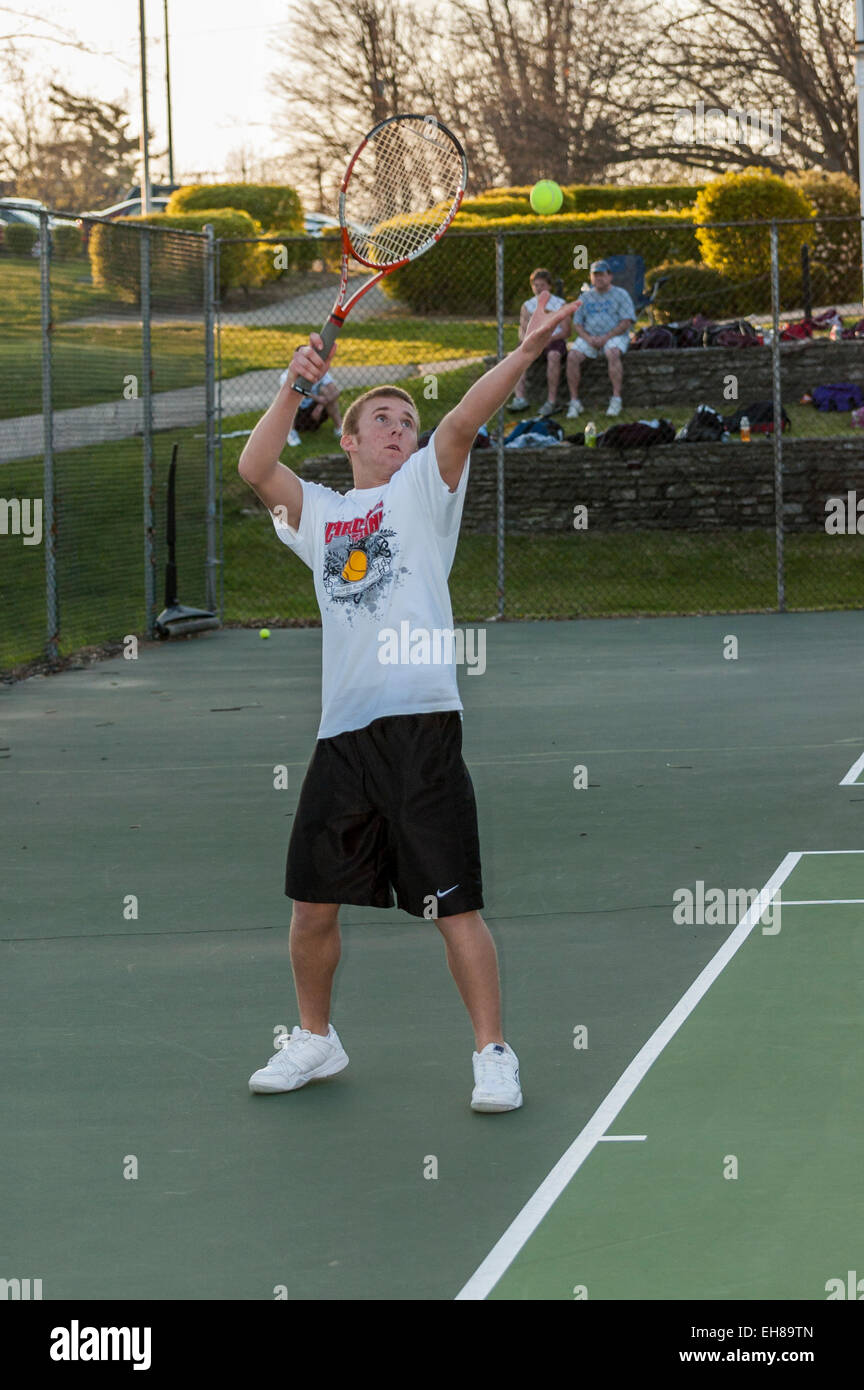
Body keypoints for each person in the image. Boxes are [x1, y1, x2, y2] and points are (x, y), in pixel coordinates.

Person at [238, 288, 578, 1112]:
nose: (402, 429)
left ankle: (492, 1053)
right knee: (312, 905)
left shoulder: (426, 491)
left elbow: (462, 420)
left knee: (452, 903)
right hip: (344, 734)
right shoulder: (319, 514)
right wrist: (292, 382)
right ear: (349, 439)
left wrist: (528, 351)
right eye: (383, 419)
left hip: (422, 725)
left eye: (406, 422)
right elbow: (255, 468)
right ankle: (316, 1039)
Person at [566, 259, 635, 418]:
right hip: (589, 337)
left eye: (602, 275)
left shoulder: (621, 294)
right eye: (595, 275)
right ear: (591, 278)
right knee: (572, 356)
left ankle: (616, 399)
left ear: (610, 276)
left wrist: (606, 337)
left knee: (612, 352)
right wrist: (588, 338)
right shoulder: (585, 297)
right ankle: (574, 402)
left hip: (615, 336)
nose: (599, 279)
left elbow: (626, 322)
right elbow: (577, 323)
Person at [508, 268, 573, 416]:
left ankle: (551, 401)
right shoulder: (527, 305)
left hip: (554, 340)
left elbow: (567, 331)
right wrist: (530, 341)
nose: (538, 289)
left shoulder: (560, 303)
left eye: (542, 285)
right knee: (516, 355)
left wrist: (548, 338)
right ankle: (520, 398)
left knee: (554, 356)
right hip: (532, 340)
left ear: (549, 286)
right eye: (535, 285)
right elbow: (523, 330)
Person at [280, 367, 343, 446]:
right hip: (297, 415)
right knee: (290, 400)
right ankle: (291, 433)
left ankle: (339, 428)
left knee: (325, 390)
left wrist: (321, 405)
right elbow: (296, 391)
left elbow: (336, 392)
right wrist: (317, 398)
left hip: (315, 412)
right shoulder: (287, 375)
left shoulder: (320, 372)